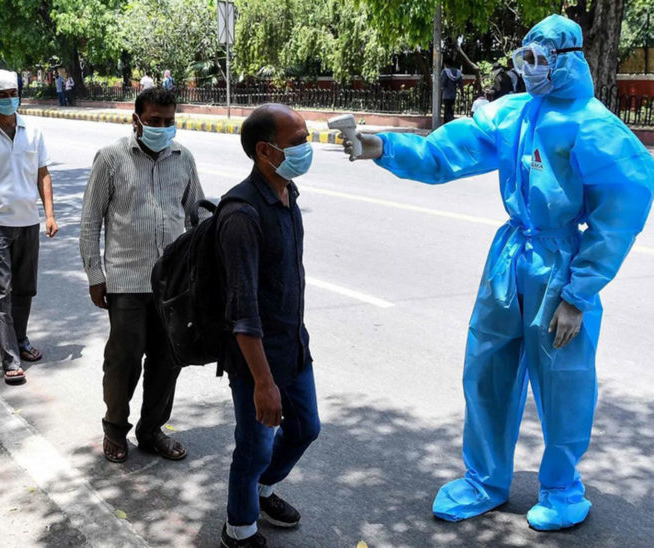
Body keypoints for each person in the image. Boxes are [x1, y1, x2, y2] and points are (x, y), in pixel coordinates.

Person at [342, 14, 654, 532]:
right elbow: (450, 149)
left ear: (567, 61)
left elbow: (620, 210)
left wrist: (579, 292)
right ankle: (484, 479)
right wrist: (384, 146)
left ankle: (561, 487)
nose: (529, 69)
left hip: (560, 265)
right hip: (509, 259)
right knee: (487, 367)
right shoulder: (513, 114)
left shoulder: (594, 125)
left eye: (539, 59)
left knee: (563, 381)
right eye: (523, 59)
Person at [80, 87, 205, 463]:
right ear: (136, 120)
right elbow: (90, 221)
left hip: (172, 286)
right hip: (126, 281)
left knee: (168, 362)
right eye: (154, 121)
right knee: (123, 360)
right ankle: (115, 428)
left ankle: (151, 430)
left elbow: (196, 214)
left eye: (169, 122)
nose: (163, 128)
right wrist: (94, 275)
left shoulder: (184, 158)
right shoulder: (111, 158)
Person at [216, 104, 321, 548]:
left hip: (293, 347)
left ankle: (262, 490)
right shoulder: (242, 214)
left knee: (305, 428)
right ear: (265, 151)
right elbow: (242, 309)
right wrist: (263, 382)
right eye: (297, 141)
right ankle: (238, 529)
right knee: (255, 447)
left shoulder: (287, 194)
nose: (307, 148)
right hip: (255, 359)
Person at [0, 69, 58, 386]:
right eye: (2, 94)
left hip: (28, 222)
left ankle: (20, 339)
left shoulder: (33, 132)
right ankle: (10, 359)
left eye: (13, 92)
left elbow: (43, 174)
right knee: (1, 294)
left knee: (25, 288)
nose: (9, 99)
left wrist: (49, 214)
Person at [441, 58, 463, 124]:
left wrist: (441, 90)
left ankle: (447, 123)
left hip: (446, 94)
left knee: (446, 111)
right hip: (453, 94)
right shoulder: (458, 72)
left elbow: (443, 83)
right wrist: (462, 93)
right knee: (451, 110)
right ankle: (450, 122)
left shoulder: (445, 72)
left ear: (446, 64)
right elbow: (461, 84)